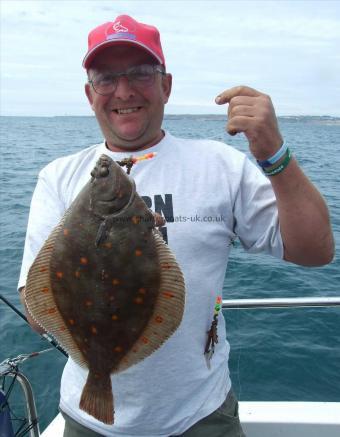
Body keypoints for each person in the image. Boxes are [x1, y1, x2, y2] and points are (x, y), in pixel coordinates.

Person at [18, 14, 334, 437]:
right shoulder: (58, 177)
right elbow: (38, 315)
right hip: (87, 420)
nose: (124, 89)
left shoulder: (220, 165)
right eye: (106, 78)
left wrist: (274, 152)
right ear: (90, 94)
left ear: (166, 85)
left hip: (201, 417)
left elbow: (316, 251)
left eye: (141, 73)